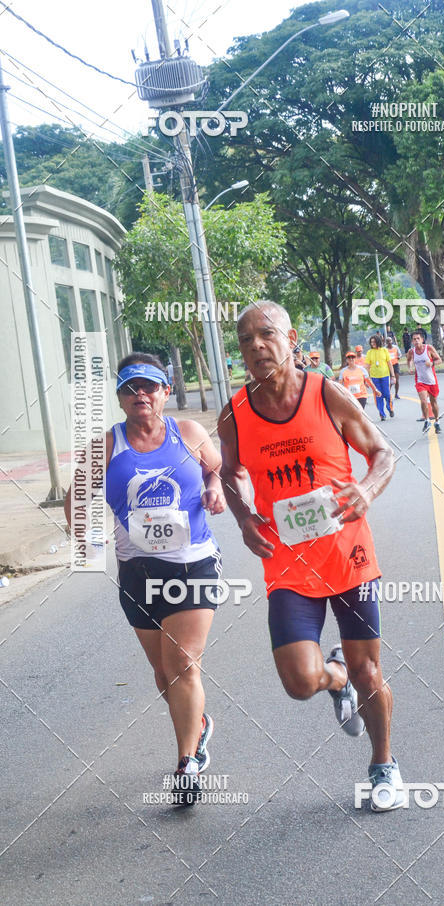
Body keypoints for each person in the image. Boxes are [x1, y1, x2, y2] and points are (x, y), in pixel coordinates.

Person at [218, 300, 404, 811]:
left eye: (266, 334)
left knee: (372, 673)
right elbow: (228, 473)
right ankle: (334, 675)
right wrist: (242, 516)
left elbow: (383, 452)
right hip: (287, 565)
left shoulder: (328, 393)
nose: (256, 346)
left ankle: (383, 764)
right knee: (300, 681)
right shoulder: (234, 413)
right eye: (245, 340)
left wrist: (366, 490)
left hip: (349, 556)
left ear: (291, 337)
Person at [64, 353, 226, 806]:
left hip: (192, 563)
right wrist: (85, 541)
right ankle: (200, 724)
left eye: (150, 386)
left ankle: (187, 764)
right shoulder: (105, 447)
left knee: (182, 664)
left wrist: (213, 486)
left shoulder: (188, 433)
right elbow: (77, 498)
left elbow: (220, 467)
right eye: (131, 388)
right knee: (163, 672)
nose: (141, 394)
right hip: (135, 571)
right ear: (119, 397)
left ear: (165, 392)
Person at [406, 330, 443, 434]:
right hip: (420, 380)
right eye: (414, 339)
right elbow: (408, 360)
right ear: (412, 341)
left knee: (433, 402)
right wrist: (410, 368)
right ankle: (427, 420)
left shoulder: (429, 348)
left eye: (418, 339)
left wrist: (431, 363)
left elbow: (439, 360)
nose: (416, 341)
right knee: (423, 400)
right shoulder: (411, 351)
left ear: (422, 339)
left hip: (431, 380)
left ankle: (437, 422)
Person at [365, 334, 394, 421]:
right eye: (371, 342)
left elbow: (389, 364)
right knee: (378, 396)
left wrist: (393, 376)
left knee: (387, 394)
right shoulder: (369, 352)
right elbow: (367, 366)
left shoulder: (384, 350)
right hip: (374, 377)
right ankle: (382, 414)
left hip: (385, 376)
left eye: (374, 342)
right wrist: (366, 379)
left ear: (378, 341)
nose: (372, 343)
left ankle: (390, 409)